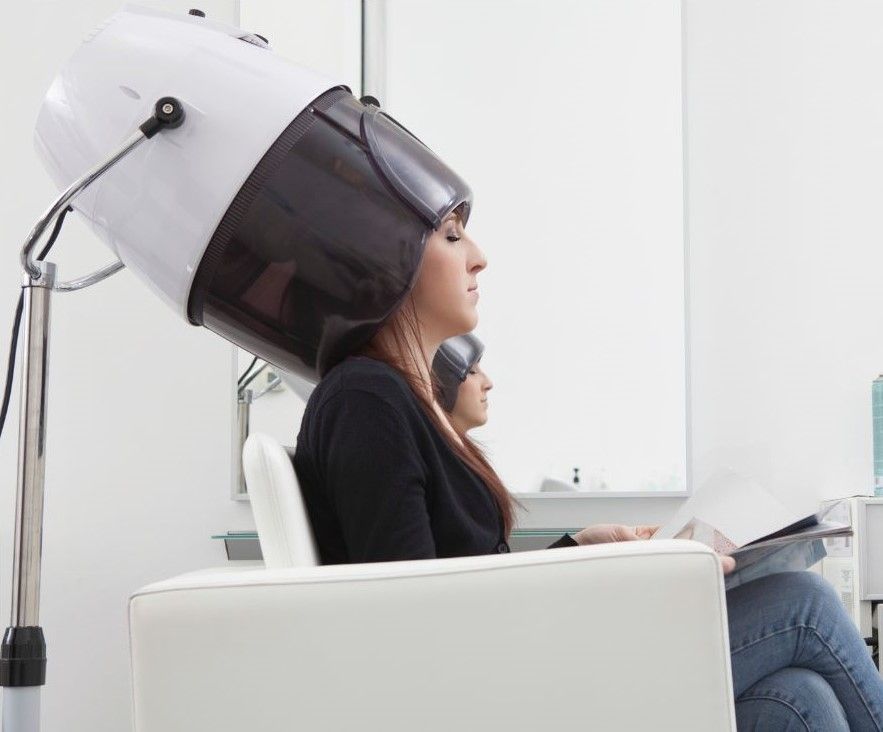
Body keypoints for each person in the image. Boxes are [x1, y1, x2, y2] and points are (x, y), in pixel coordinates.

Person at [291, 102, 883, 730]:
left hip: (519, 668)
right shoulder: (367, 401)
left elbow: (464, 582)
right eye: (453, 235)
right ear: (390, 256)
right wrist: (628, 581)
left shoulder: (401, 403)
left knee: (800, 701)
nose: (480, 257)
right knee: (807, 606)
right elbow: (422, 617)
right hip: (505, 695)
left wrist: (579, 549)